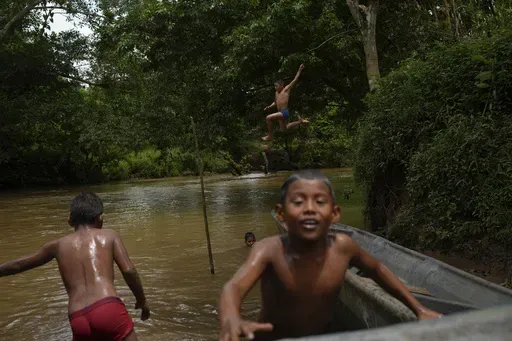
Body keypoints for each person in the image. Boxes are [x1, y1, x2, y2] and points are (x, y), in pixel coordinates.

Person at [219, 171, 442, 341]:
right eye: (298, 202)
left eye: (320, 202)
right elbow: (234, 287)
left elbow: (377, 270)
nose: (309, 208)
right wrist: (231, 316)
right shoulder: (268, 249)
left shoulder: (343, 247)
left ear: (334, 213)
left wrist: (419, 309)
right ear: (281, 213)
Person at [0, 192, 150, 341]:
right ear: (100, 218)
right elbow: (129, 270)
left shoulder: (57, 245)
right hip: (108, 308)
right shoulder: (109, 235)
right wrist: (141, 300)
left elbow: (19, 264)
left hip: (78, 318)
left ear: (70, 221)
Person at [262, 64, 309, 141]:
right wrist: (270, 106)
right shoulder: (276, 93)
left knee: (268, 118)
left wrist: (299, 70)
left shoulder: (286, 89)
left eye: (276, 86)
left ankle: (270, 136)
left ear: (281, 85)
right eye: (274, 86)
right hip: (280, 112)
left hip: (284, 112)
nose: (275, 87)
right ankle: (300, 121)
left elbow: (295, 79)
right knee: (285, 129)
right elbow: (275, 102)